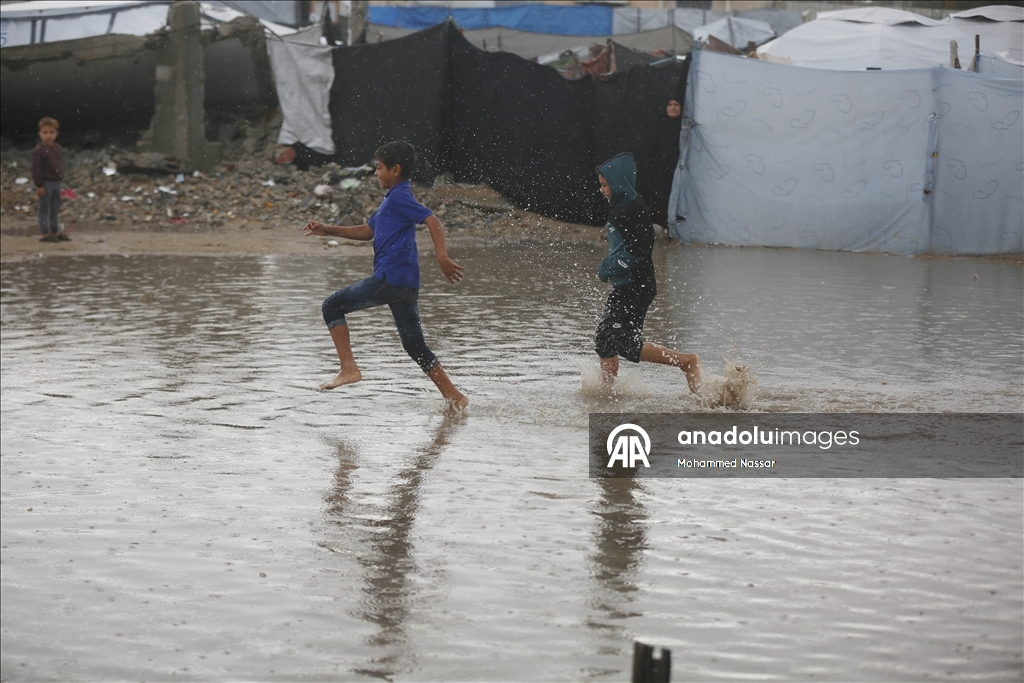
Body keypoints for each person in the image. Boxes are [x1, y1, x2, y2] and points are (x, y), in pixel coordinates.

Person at [302, 140, 469, 410]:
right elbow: (368, 231)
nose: (376, 173)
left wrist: (442, 256)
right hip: (405, 286)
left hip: (388, 280)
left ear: (395, 170)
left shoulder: (401, 197)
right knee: (415, 346)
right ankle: (454, 397)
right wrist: (327, 229)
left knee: (332, 305)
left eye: (379, 168)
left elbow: (432, 219)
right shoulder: (391, 200)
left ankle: (348, 369)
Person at [594, 152, 701, 392]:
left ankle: (686, 362)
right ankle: (604, 395)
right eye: (600, 185)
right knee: (605, 340)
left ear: (618, 182)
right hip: (628, 285)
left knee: (624, 342)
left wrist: (608, 268)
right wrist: (610, 269)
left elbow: (638, 249)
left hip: (637, 286)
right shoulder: (621, 206)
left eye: (605, 184)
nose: (602, 190)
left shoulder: (631, 210)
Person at [646, 99, 682, 229]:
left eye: (676, 105)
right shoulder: (660, 127)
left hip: (678, 168)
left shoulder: (684, 128)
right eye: (670, 105)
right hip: (661, 169)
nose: (673, 108)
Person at [31, 117, 68, 243]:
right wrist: (39, 185)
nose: (48, 135)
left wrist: (60, 177)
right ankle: (44, 233)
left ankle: (55, 232)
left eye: (51, 132)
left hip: (56, 183)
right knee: (44, 208)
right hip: (45, 183)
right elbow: (36, 169)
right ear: (40, 134)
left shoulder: (57, 148)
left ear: (56, 133)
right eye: (45, 132)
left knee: (55, 208)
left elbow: (59, 164)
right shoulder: (39, 150)